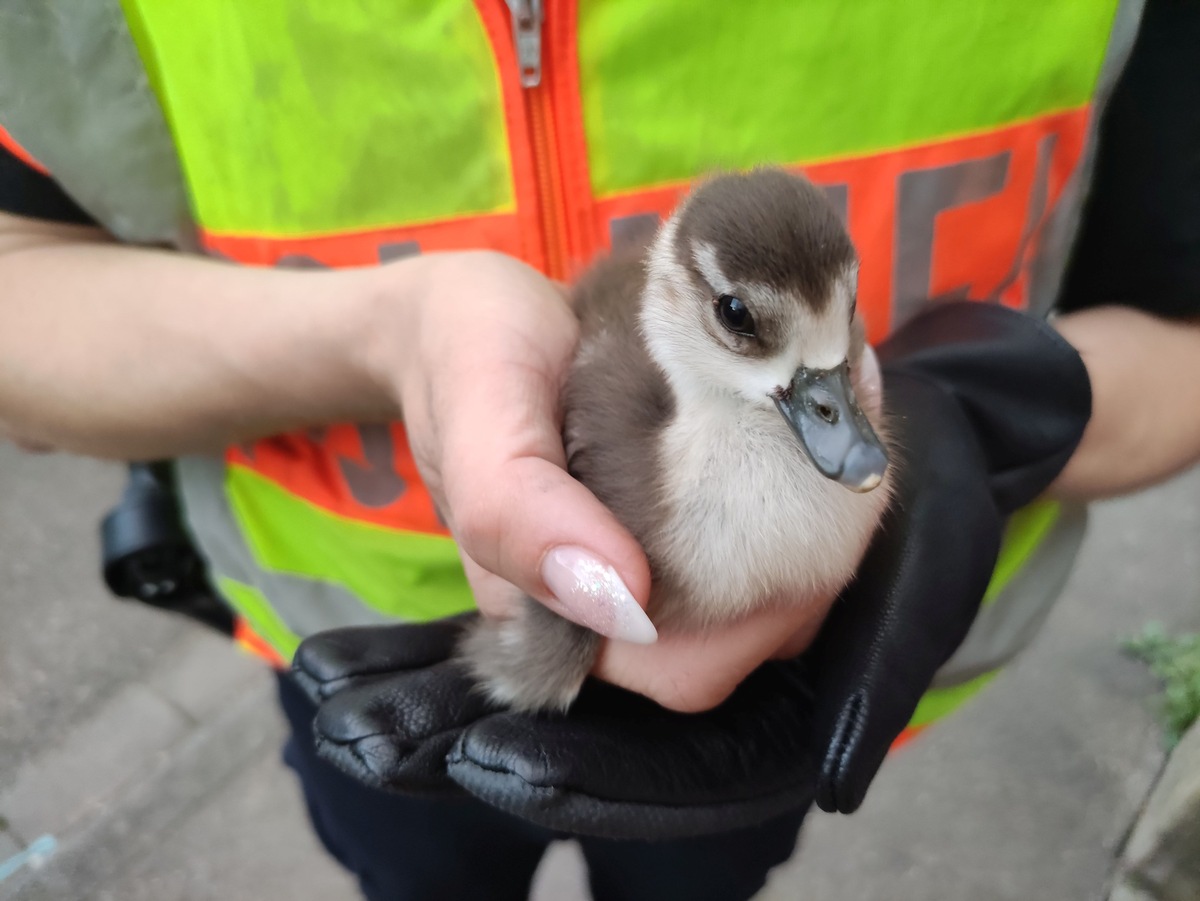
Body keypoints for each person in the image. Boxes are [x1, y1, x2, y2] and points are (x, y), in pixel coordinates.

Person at [1, 1, 1198, 899]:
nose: (829, 409)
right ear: (684, 296)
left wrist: (971, 419)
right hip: (379, 660)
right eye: (745, 329)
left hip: (799, 703)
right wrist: (388, 327)